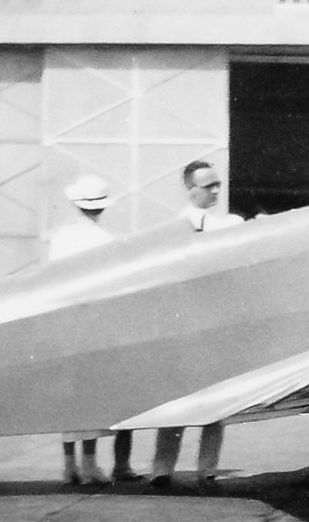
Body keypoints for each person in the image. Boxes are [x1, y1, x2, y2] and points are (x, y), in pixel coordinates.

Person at [151, 160, 244, 490]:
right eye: (209, 186)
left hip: (217, 326)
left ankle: (207, 469)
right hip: (185, 327)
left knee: (217, 404)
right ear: (191, 189)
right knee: (176, 405)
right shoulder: (175, 228)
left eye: (218, 184)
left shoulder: (230, 224)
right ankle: (161, 469)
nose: (217, 191)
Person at [47, 175, 142, 485]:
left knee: (67, 395)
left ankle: (68, 465)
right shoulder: (106, 241)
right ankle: (90, 465)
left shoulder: (61, 237)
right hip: (94, 324)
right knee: (91, 394)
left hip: (64, 322)